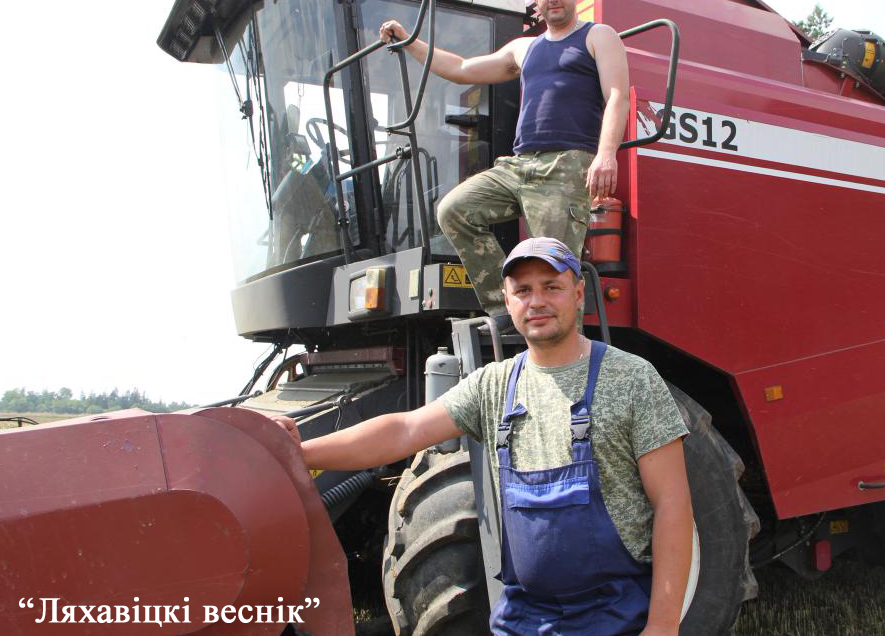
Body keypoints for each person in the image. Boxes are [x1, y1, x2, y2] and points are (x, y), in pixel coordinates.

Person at [275, 237, 693, 634]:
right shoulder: (493, 386)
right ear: (507, 301)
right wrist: (299, 452)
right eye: (523, 290)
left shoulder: (632, 378)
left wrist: (662, 625)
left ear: (578, 293)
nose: (537, 301)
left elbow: (672, 504)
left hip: (616, 618)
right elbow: (404, 430)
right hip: (524, 620)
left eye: (552, 287)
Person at [378, 0, 630, 331]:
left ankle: (566, 353)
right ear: (536, 0)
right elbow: (462, 68)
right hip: (518, 166)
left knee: (552, 267)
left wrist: (606, 154)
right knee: (454, 210)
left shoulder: (597, 36)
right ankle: (504, 308)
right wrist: (410, 42)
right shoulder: (525, 49)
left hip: (565, 165)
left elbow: (618, 96)